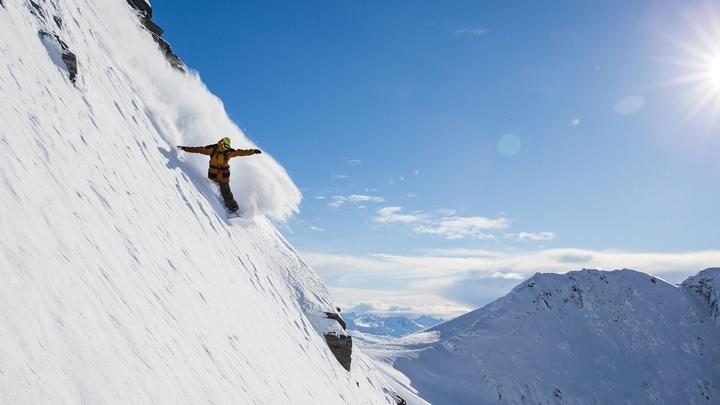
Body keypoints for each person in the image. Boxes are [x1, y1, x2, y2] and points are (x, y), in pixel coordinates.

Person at [177, 137, 261, 213]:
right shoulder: (212, 149)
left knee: (226, 192)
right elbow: (199, 149)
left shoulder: (229, 152)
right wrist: (185, 148)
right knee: (212, 188)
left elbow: (241, 152)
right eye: (225, 146)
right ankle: (221, 202)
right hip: (213, 175)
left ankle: (233, 209)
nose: (226, 148)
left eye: (227, 147)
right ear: (221, 142)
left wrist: (252, 151)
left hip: (223, 177)